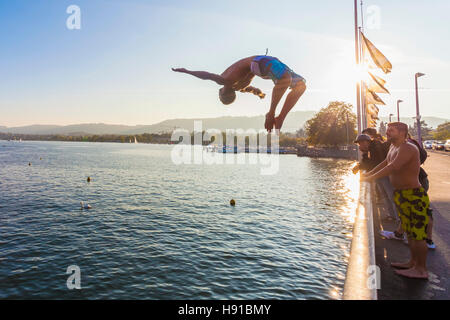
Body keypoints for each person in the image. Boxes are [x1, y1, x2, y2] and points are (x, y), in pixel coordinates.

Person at [362, 122, 432, 279]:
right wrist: (368, 175)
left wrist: (371, 178)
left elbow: (393, 167)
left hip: (413, 195)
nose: (387, 133)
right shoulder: (393, 147)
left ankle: (421, 269)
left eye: (391, 131)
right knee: (410, 232)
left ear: (402, 133)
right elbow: (385, 163)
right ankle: (412, 262)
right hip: (401, 195)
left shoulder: (407, 148)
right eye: (387, 130)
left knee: (418, 235)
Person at [172, 55, 307, 132]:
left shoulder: (238, 86)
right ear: (222, 94)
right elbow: (207, 76)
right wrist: (188, 71)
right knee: (294, 83)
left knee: (293, 83)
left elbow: (251, 90)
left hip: (263, 65)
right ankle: (276, 115)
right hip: (263, 63)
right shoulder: (224, 81)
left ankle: (276, 115)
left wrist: (258, 94)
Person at [352, 134, 398, 221]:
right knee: (386, 196)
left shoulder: (376, 148)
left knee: (392, 196)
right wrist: (363, 158)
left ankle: (399, 219)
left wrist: (360, 167)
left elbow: (373, 164)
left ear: (367, 142)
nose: (360, 145)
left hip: (386, 175)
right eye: (359, 144)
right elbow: (368, 163)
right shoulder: (370, 149)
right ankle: (392, 216)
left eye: (361, 143)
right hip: (380, 175)